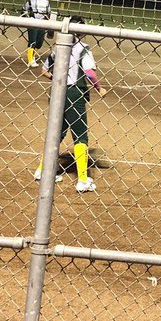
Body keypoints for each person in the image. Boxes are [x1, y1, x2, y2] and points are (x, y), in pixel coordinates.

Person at [34, 19, 108, 192]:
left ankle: (42, 170)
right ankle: (82, 180)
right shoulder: (83, 48)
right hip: (74, 94)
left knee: (56, 133)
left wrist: (59, 80)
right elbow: (89, 73)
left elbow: (44, 71)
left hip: (56, 92)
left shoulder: (58, 47)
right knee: (80, 136)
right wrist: (99, 88)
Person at [22, 0, 51, 67]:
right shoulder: (30, 2)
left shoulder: (46, 2)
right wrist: (28, 17)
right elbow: (24, 11)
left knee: (39, 43)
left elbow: (49, 13)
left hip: (42, 23)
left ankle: (31, 54)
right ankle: (30, 60)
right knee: (32, 41)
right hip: (32, 23)